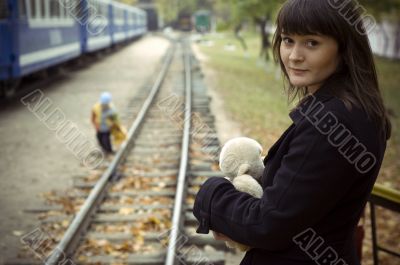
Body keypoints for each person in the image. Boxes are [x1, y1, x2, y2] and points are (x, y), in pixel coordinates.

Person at [193, 1, 392, 265]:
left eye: (311, 43)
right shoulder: (352, 108)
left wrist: (210, 193)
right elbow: (304, 199)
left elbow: (268, 224)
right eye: (288, 40)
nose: (294, 55)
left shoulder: (332, 123)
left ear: (344, 49)